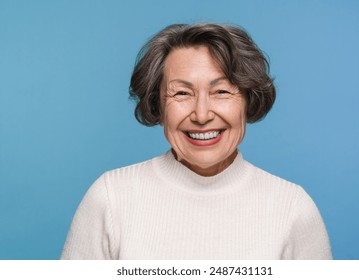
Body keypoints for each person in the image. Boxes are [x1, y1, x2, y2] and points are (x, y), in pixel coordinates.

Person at [61, 23, 332, 259]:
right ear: (158, 105)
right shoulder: (111, 198)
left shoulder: (292, 207)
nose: (202, 115)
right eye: (182, 93)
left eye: (222, 91)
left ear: (248, 101)